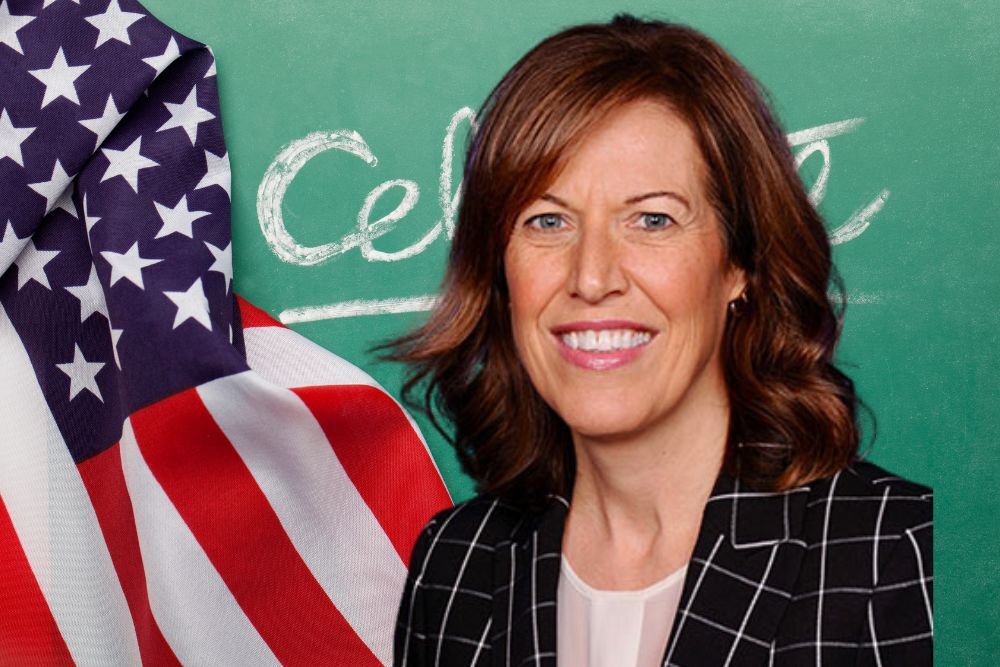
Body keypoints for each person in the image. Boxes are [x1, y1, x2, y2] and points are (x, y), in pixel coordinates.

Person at [389, 15, 932, 667]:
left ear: (740, 264)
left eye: (652, 219)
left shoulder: (896, 554)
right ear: (499, 269)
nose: (592, 278)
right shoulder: (454, 567)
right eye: (548, 221)